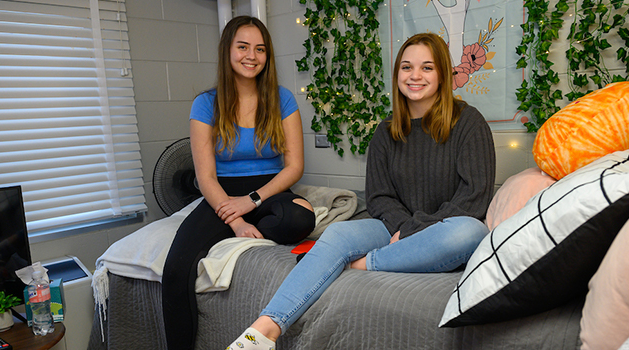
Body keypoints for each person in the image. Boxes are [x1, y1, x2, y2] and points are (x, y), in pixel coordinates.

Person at [226, 32, 496, 349]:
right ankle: (264, 329)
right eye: (407, 67)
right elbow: (380, 197)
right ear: (397, 75)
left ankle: (362, 264)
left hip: (440, 230)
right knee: (338, 235)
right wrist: (401, 227)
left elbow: (474, 198)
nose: (415, 76)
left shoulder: (469, 122)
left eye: (427, 67)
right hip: (390, 227)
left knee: (471, 232)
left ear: (442, 75)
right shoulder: (386, 130)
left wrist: (411, 229)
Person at [162, 16, 316, 350]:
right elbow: (205, 177)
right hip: (222, 192)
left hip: (269, 189)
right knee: (175, 270)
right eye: (243, 47)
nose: (252, 55)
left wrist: (253, 202)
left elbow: (294, 167)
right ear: (227, 51)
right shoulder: (205, 104)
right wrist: (236, 221)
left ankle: (260, 219)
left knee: (302, 217)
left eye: (260, 49)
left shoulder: (283, 99)